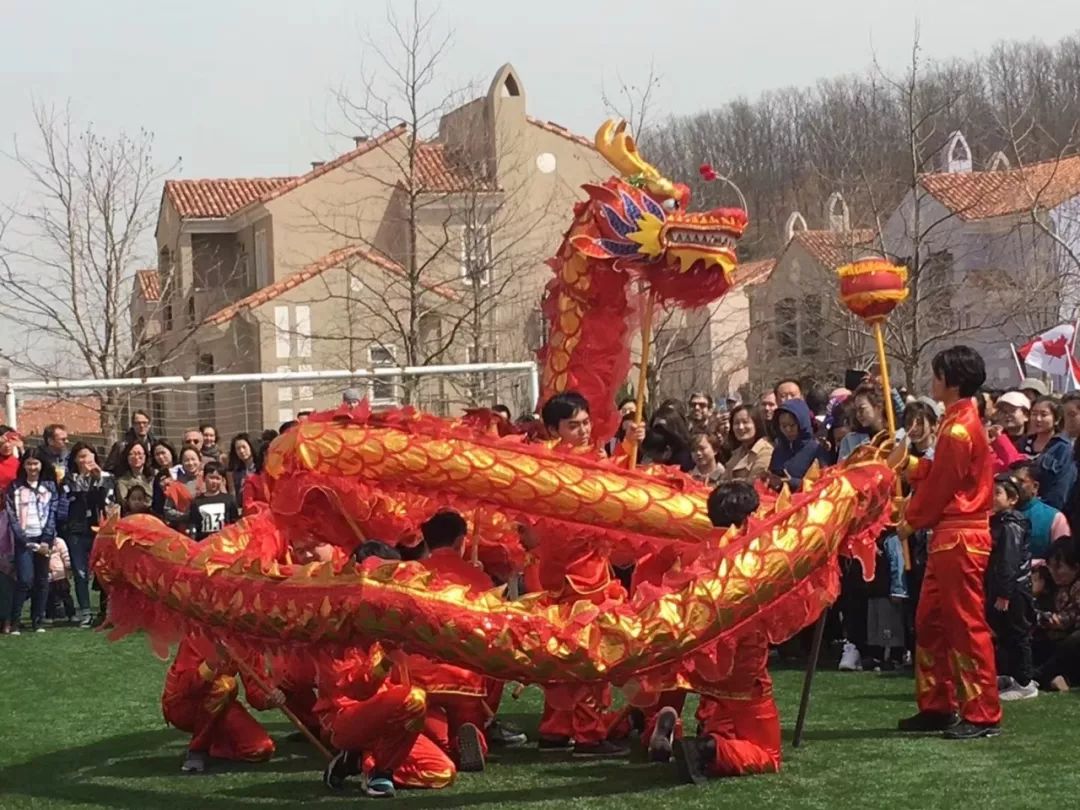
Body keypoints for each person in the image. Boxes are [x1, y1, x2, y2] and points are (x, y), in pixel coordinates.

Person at [895, 345, 1001, 739]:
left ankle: (983, 712)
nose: (932, 380)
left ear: (950, 381)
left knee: (964, 625)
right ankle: (938, 705)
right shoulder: (955, 421)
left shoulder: (958, 428)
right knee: (930, 623)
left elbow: (942, 487)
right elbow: (940, 473)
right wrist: (907, 465)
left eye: (937, 374)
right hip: (949, 534)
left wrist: (910, 520)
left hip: (960, 534)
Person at [533, 391, 628, 758]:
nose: (584, 430)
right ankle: (589, 734)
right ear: (554, 429)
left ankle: (555, 729)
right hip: (581, 577)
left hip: (566, 573)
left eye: (586, 422)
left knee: (561, 651)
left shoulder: (549, 465)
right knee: (589, 653)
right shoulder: (569, 468)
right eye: (574, 425)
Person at [670, 480, 782, 784]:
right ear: (747, 519)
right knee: (768, 755)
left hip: (703, 668)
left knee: (723, 713)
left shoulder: (693, 554)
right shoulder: (754, 557)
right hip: (745, 672)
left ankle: (695, 734)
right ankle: (708, 749)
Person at [162, 635, 278, 774]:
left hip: (221, 705)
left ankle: (214, 742)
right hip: (183, 706)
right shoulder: (197, 635)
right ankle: (198, 750)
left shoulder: (247, 639)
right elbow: (186, 688)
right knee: (224, 685)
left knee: (260, 749)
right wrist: (212, 663)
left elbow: (256, 693)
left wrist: (271, 697)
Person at [987, 473, 1036, 701]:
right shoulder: (998, 522)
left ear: (1013, 498)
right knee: (1004, 634)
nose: (992, 498)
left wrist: (1005, 592)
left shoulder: (1011, 524)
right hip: (1003, 587)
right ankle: (1009, 675)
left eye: (998, 493)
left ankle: (1025, 682)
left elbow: (1009, 559)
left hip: (1014, 589)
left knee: (1017, 634)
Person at [6, 449, 60, 634]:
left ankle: (38, 620)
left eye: (35, 463)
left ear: (41, 465)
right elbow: (12, 516)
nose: (32, 467)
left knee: (42, 580)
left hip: (44, 538)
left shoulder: (50, 486)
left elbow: (52, 513)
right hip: (24, 540)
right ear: (23, 466)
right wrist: (25, 540)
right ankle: (15, 621)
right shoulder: (15, 487)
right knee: (24, 580)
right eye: (28, 463)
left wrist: (46, 540)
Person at [63, 442, 116, 627]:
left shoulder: (106, 477)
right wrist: (84, 478)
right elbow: (69, 497)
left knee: (104, 572)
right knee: (80, 572)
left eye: (90, 455)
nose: (87, 460)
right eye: (82, 456)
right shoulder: (69, 478)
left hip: (100, 530)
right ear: (76, 460)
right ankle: (85, 611)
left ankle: (109, 610)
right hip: (77, 530)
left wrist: (97, 477)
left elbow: (109, 500)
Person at [1033, 536, 1080, 691]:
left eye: (1059, 567)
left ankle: (1040, 676)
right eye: (1051, 567)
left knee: (1073, 641)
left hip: (1071, 641)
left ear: (1076, 567)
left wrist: (1057, 621)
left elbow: (1070, 617)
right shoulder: (1053, 586)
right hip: (1056, 638)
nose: (1054, 573)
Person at [1022, 397, 1075, 511]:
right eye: (1034, 414)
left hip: (1045, 511)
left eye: (1044, 414)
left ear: (1056, 419)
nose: (1038, 419)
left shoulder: (1063, 448)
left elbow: (1061, 488)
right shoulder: (1022, 443)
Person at [865, 531, 908, 671]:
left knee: (889, 626)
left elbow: (897, 563)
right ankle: (877, 656)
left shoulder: (892, 539)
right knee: (875, 625)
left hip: (887, 592)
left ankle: (894, 657)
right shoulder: (872, 539)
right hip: (874, 590)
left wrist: (898, 589)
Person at [1010, 462, 1069, 560]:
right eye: (1012, 481)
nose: (1014, 486)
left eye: (1021, 482)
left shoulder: (1055, 519)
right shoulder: (997, 514)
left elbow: (1062, 560)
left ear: (1035, 486)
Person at [766, 399, 825, 492]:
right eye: (783, 426)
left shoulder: (816, 449)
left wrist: (792, 482)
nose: (788, 430)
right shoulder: (778, 450)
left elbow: (824, 484)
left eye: (792, 425)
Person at [187, 462, 239, 542]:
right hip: (204, 544)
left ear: (222, 480)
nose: (214, 481)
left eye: (217, 478)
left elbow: (235, 522)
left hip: (225, 543)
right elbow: (193, 524)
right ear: (204, 478)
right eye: (211, 478)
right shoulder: (197, 502)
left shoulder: (229, 499)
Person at [163, 446, 205, 531]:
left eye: (193, 459)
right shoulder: (175, 485)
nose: (190, 463)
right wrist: (185, 516)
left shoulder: (208, 479)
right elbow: (167, 510)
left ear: (199, 461)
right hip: (186, 529)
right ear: (181, 463)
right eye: (186, 460)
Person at [113, 440, 155, 508]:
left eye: (139, 453)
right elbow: (125, 503)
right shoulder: (122, 481)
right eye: (132, 454)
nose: (136, 457)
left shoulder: (154, 476)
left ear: (145, 456)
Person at [44, 536, 74, 625]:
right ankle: (50, 616)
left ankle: (71, 614)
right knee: (49, 597)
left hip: (60, 574)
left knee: (65, 595)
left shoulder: (59, 542)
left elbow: (65, 554)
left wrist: (68, 566)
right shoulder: (42, 543)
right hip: (48, 574)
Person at [226, 434, 257, 500]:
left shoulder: (260, 468)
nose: (241, 451)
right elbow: (233, 494)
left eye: (244, 447)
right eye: (238, 448)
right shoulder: (234, 472)